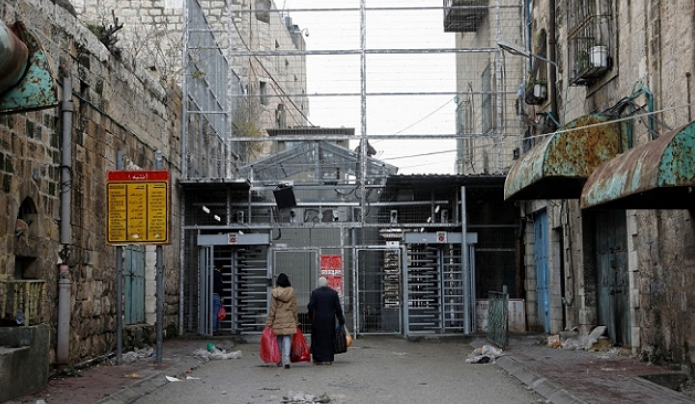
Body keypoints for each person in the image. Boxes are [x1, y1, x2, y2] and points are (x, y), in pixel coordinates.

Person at [307, 276, 345, 365]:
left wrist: (311, 316)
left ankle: (317, 358)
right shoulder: (333, 293)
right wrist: (341, 319)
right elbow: (338, 308)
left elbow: (310, 306)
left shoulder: (315, 293)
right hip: (330, 319)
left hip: (318, 319)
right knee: (329, 338)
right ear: (327, 284)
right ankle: (328, 359)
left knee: (317, 338)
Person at [266, 273, 299, 369]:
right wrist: (296, 320)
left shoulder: (275, 292)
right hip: (288, 317)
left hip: (278, 318)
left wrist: (269, 321)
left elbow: (272, 309)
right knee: (287, 337)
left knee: (279, 339)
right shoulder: (291, 291)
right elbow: (294, 307)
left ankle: (279, 360)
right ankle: (287, 360)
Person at [212, 267, 224, 334]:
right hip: (216, 296)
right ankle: (214, 329)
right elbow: (220, 286)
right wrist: (222, 296)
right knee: (215, 313)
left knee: (210, 313)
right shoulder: (218, 274)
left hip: (208, 296)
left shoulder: (210, 274)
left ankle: (209, 329)